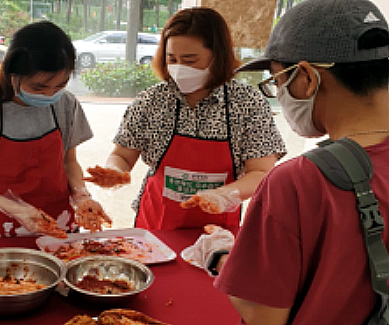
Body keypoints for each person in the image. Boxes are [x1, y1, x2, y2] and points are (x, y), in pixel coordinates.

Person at [185, 0, 389, 324]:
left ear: (307, 78)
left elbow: (263, 316)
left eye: (277, 81)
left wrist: (219, 257)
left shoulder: (298, 183)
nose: (278, 92)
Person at [85, 7, 286, 230]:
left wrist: (222, 195)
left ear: (217, 56)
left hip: (216, 228)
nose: (179, 68)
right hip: (157, 223)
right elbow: (122, 154)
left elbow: (260, 172)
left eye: (190, 60)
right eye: (172, 59)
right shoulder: (151, 100)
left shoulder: (248, 103)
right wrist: (114, 171)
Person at [0, 21, 111, 238]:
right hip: (3, 227)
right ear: (12, 73)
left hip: (59, 224)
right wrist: (14, 208)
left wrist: (82, 196)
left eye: (60, 85)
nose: (49, 95)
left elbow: (69, 161)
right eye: (39, 87)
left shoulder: (65, 103)